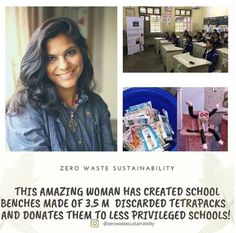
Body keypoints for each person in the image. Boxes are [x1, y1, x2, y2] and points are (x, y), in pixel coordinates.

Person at [6, 17, 116, 151]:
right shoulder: (24, 108)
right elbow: (33, 170)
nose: (64, 65)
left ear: (82, 53)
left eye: (70, 52)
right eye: (51, 58)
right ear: (39, 63)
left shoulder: (97, 104)